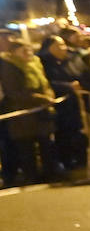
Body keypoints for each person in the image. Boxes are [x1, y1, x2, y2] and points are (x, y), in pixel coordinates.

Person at [0, 37, 58, 185]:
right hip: (22, 113)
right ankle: (31, 176)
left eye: (29, 49)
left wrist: (48, 94)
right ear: (13, 52)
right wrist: (41, 98)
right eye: (23, 50)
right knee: (26, 147)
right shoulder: (9, 67)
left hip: (40, 111)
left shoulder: (35, 64)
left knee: (46, 143)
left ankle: (50, 172)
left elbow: (44, 83)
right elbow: (14, 92)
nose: (28, 53)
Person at [38, 35, 88, 172]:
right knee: (63, 134)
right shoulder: (44, 63)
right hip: (59, 105)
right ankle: (67, 161)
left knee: (77, 131)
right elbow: (47, 83)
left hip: (73, 102)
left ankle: (80, 160)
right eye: (59, 45)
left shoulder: (69, 60)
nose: (64, 48)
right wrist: (68, 86)